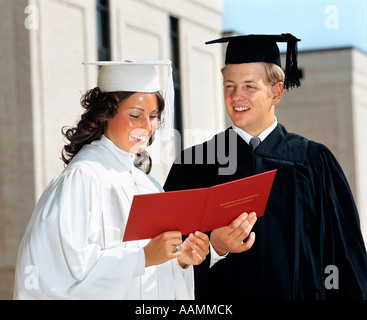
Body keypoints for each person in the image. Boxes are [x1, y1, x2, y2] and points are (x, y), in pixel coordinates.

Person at [164, 34, 367, 299]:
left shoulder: (313, 162)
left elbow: (345, 259)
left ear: (277, 92)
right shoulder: (195, 164)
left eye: (250, 86)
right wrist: (215, 248)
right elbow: (165, 261)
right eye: (229, 85)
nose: (237, 96)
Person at [13, 60, 210, 300]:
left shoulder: (150, 186)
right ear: (105, 114)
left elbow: (151, 278)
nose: (147, 127)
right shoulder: (82, 180)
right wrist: (143, 257)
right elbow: (59, 274)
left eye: (154, 116)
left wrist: (178, 260)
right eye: (135, 115)